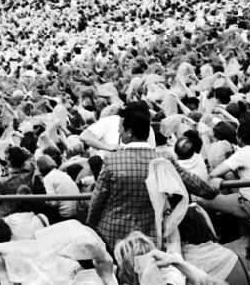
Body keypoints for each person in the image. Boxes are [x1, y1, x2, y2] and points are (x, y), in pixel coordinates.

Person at [87, 101, 217, 251]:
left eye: (120, 129)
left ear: (129, 132)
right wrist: (213, 189)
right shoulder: (163, 159)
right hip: (149, 235)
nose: (119, 133)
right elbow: (193, 183)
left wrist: (91, 225)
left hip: (113, 233)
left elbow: (97, 201)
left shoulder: (111, 160)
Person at [197, 118, 250, 220]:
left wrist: (217, 182)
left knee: (200, 200)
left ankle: (216, 231)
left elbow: (213, 175)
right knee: (228, 176)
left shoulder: (243, 153)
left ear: (240, 139)